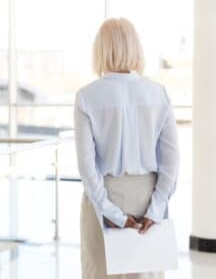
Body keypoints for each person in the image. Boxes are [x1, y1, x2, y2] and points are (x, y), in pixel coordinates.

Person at [74, 18, 179, 279]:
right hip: (148, 196)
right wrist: (155, 209)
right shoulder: (159, 94)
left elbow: (87, 168)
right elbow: (172, 163)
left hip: (103, 196)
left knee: (101, 272)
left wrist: (112, 214)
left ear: (100, 50)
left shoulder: (87, 96)